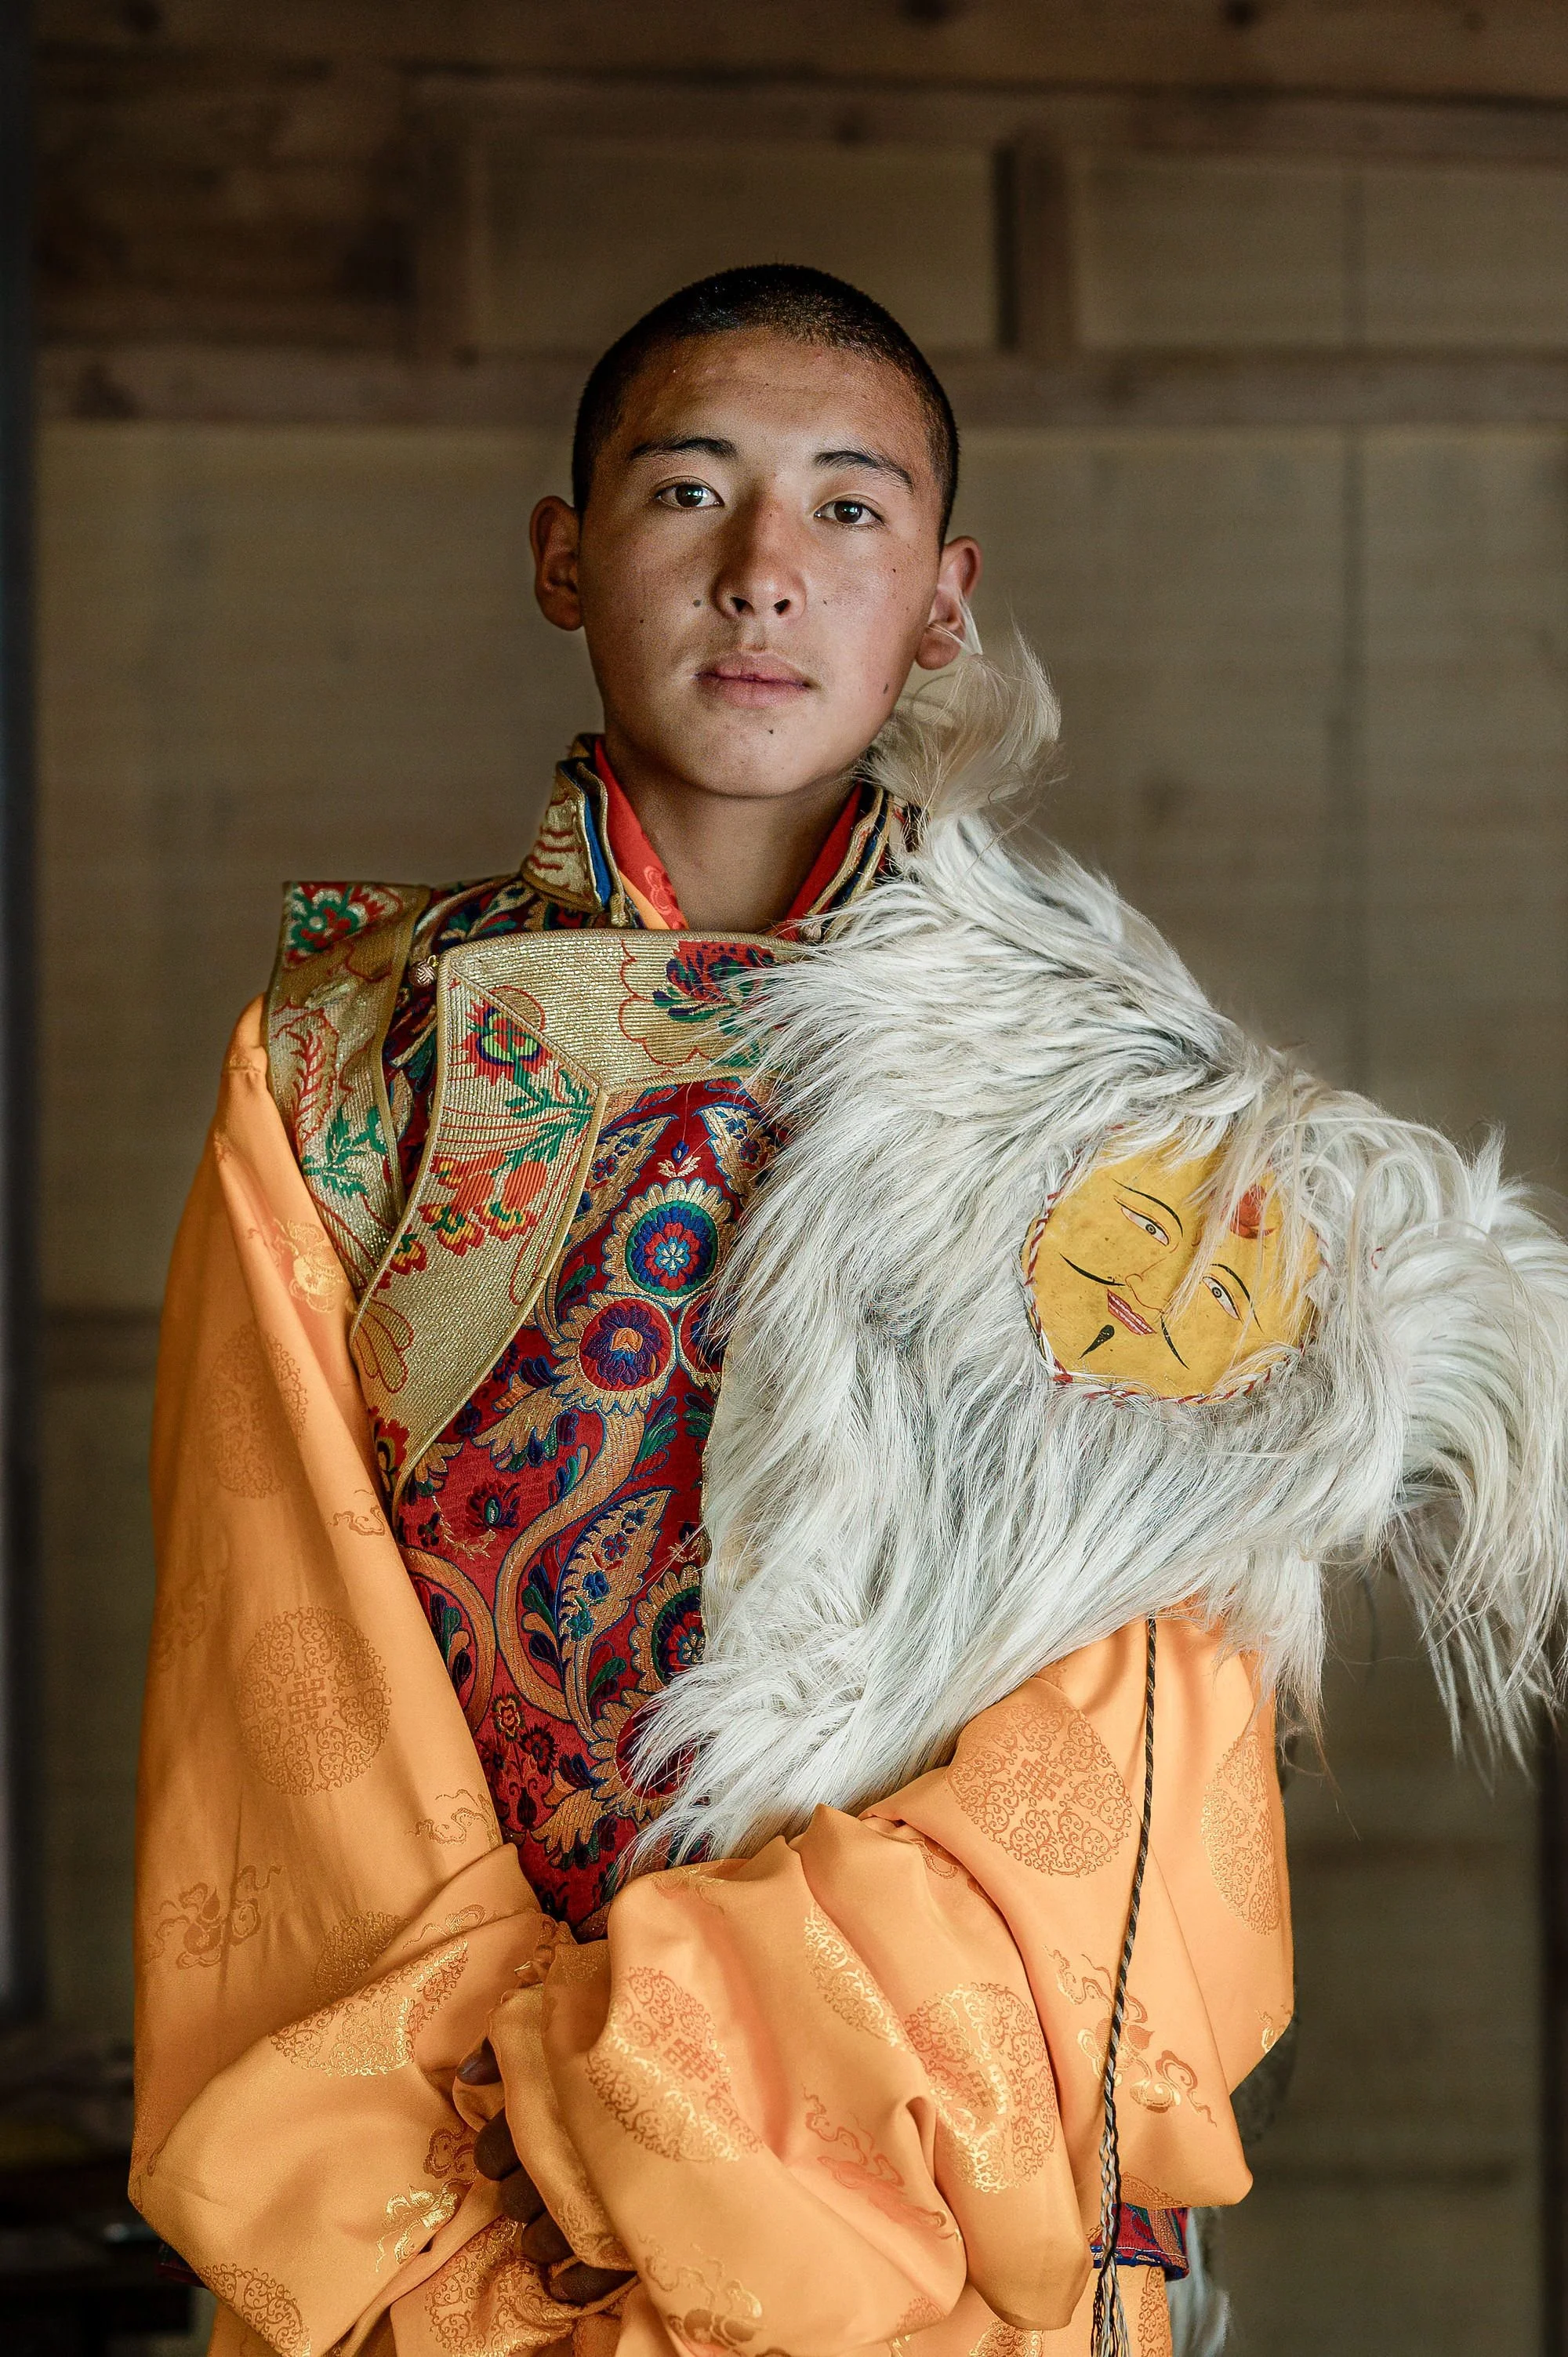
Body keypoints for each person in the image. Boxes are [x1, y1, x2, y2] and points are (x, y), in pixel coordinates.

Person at [132, 267, 1568, 2357]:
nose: (762, 578)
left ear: (948, 596)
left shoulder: (1128, 1119)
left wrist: (678, 2093)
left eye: (848, 512)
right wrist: (509, 2212)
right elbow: (282, 1709)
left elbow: (1122, 1761)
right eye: (688, 492)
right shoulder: (347, 1077)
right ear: (561, 554)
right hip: (464, 2221)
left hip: (940, 2234)